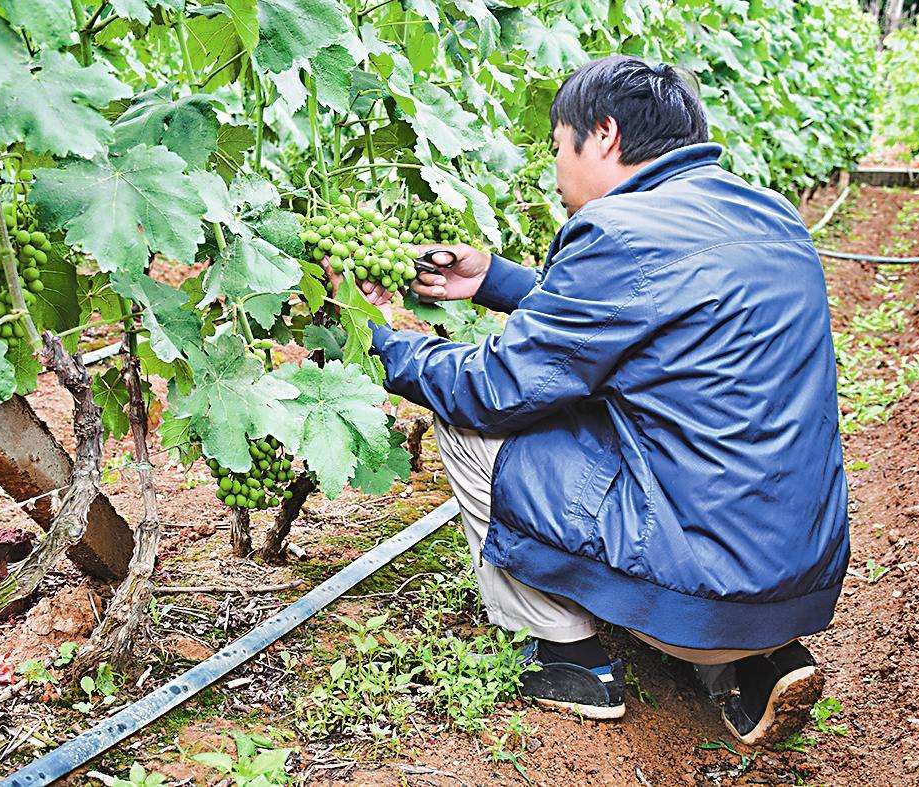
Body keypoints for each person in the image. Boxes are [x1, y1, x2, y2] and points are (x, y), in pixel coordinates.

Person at [346, 55, 850, 745]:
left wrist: (380, 342)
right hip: (793, 578)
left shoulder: (620, 230)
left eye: (557, 144)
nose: (556, 169)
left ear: (604, 134)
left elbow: (492, 389)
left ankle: (567, 658)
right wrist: (491, 278)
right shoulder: (767, 213)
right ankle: (751, 660)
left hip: (706, 578)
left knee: (467, 418)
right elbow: (643, 315)